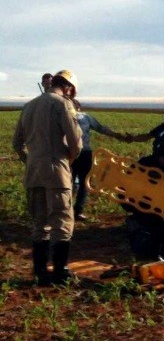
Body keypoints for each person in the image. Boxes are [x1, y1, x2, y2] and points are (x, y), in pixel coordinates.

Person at [13, 70, 82, 286]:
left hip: (34, 171)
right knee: (62, 220)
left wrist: (31, 160)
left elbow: (16, 143)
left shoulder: (29, 105)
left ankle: (40, 272)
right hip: (56, 170)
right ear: (69, 88)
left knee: (39, 223)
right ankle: (60, 273)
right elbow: (76, 143)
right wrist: (66, 161)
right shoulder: (63, 104)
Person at [71, 99, 130, 221]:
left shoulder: (70, 117)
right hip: (80, 153)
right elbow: (101, 128)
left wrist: (116, 135)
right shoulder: (85, 117)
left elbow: (100, 128)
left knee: (72, 182)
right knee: (82, 183)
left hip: (74, 153)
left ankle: (70, 210)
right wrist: (116, 135)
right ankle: (76, 211)